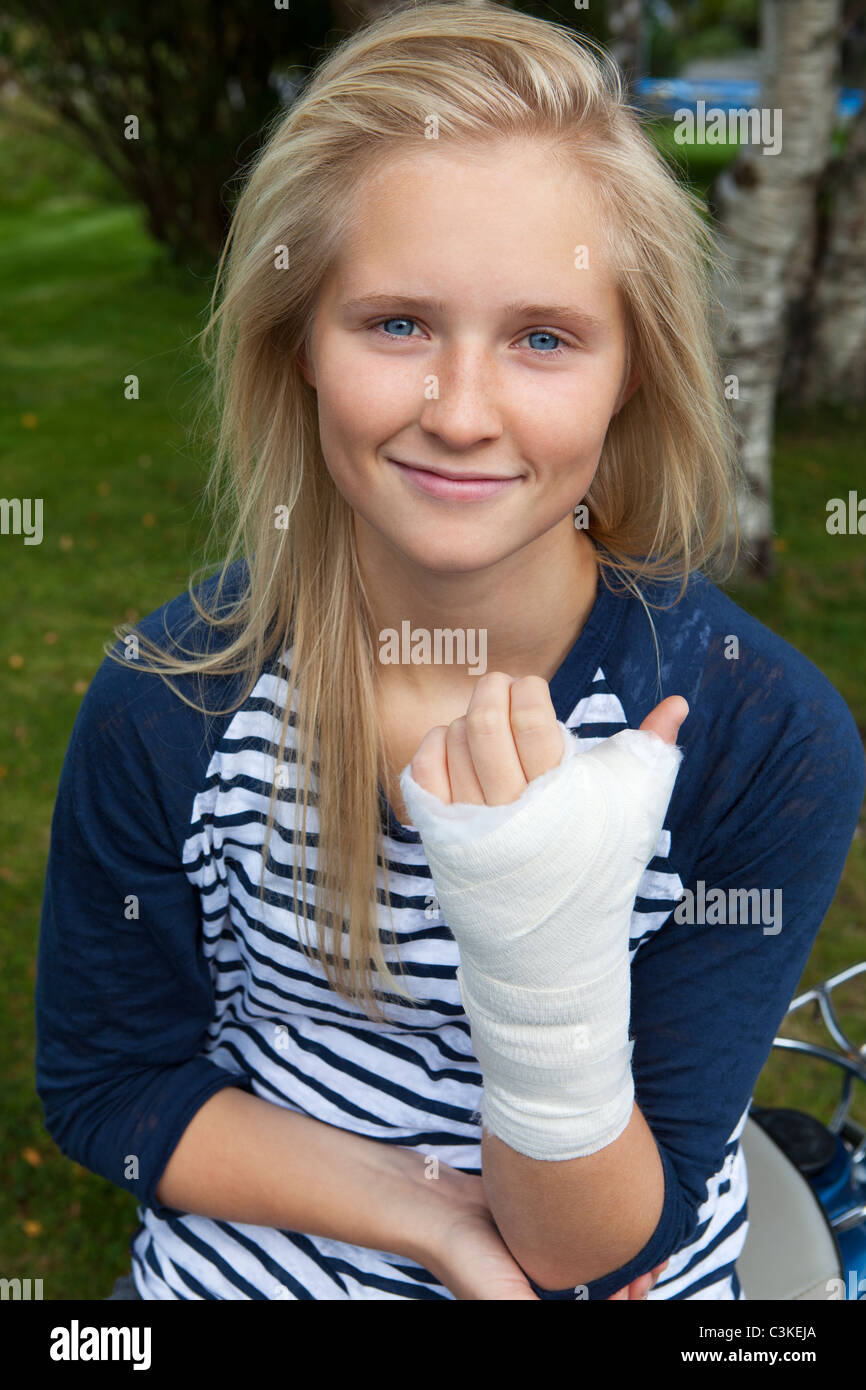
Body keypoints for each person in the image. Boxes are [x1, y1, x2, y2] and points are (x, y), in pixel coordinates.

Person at [35, 2, 863, 1302]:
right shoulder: (174, 697)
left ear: (632, 370)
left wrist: (542, 968)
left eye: (542, 336)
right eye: (396, 325)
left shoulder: (762, 732)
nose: (461, 412)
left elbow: (590, 1249)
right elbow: (111, 1081)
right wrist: (426, 1213)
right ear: (296, 340)